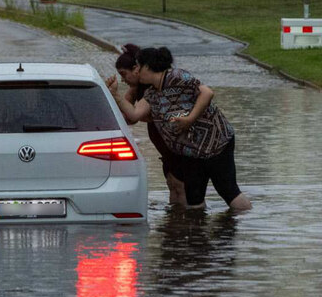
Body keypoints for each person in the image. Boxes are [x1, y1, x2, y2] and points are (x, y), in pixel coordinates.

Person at [107, 46, 252, 212]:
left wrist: (189, 120)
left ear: (148, 66)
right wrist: (115, 95)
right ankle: (197, 234)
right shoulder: (152, 94)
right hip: (191, 154)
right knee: (193, 200)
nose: (137, 71)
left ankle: (245, 225)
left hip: (216, 144)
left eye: (139, 67)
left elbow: (207, 93)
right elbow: (133, 115)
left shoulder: (176, 76)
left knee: (228, 191)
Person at [107, 44, 187, 206]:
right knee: (172, 183)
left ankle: (187, 219)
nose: (124, 79)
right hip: (162, 142)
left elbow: (136, 116)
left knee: (180, 183)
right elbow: (127, 117)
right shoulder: (136, 89)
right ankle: (175, 221)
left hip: (171, 140)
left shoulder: (154, 89)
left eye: (124, 74)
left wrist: (117, 97)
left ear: (138, 69)